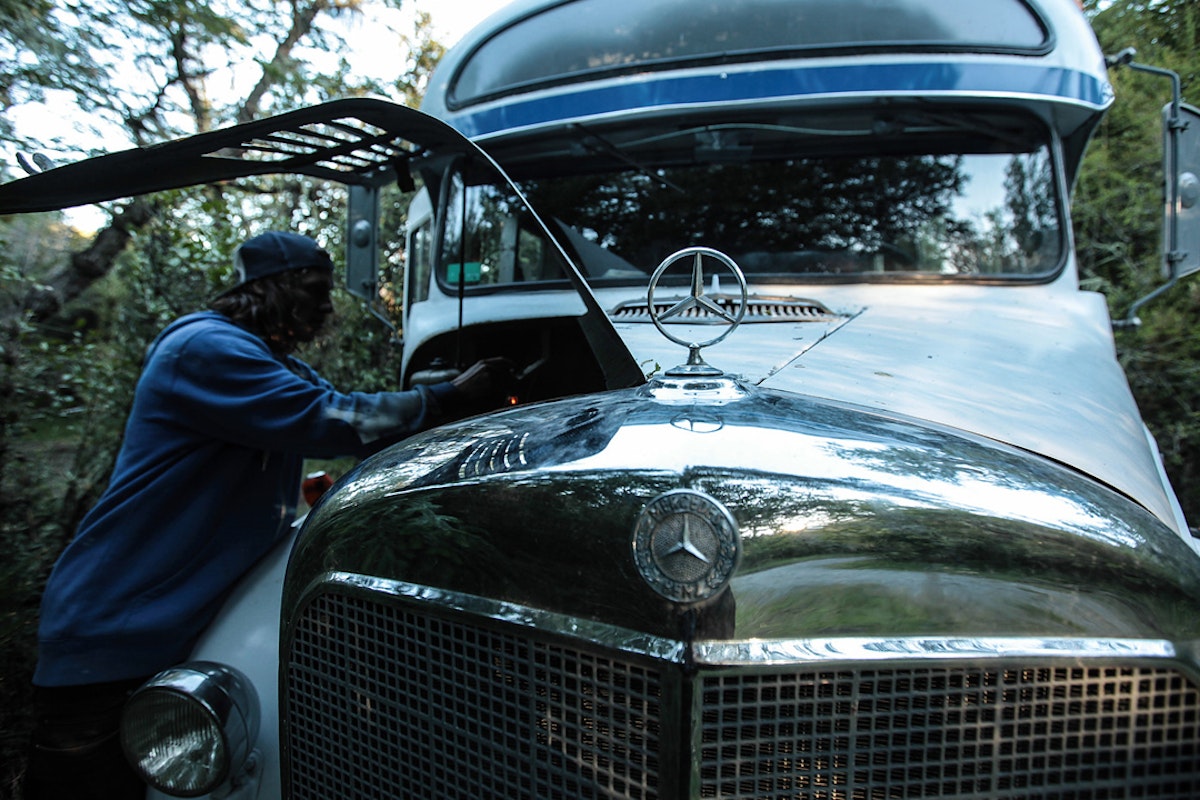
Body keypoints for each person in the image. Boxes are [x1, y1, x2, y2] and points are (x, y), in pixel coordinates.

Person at [25, 231, 511, 799]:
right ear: (269, 288)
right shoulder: (204, 347)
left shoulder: (268, 362)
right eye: (315, 289)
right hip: (115, 620)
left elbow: (352, 418)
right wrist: (449, 396)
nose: (327, 306)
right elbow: (331, 419)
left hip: (177, 618)